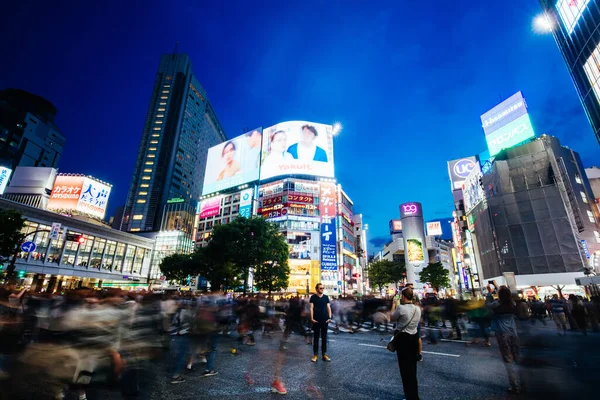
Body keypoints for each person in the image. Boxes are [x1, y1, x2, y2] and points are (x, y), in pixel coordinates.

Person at [487, 286, 520, 394]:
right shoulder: (512, 304)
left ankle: (514, 385)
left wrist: (489, 292)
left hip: (502, 334)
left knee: (508, 359)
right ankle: (522, 381)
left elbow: (487, 304)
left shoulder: (497, 304)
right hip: (513, 333)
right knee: (516, 357)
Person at [391, 287, 421, 400]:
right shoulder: (417, 309)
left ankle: (410, 396)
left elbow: (391, 318)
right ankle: (414, 395)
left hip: (403, 339)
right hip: (414, 338)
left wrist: (393, 304)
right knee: (412, 368)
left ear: (403, 297)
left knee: (404, 369)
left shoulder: (400, 308)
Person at [309, 283, 332, 362]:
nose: (322, 289)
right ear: (316, 289)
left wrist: (329, 317)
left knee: (324, 338)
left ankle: (324, 354)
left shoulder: (326, 297)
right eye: (320, 288)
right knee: (316, 338)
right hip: (316, 320)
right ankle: (315, 355)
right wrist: (312, 318)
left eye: (323, 288)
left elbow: (328, 307)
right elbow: (311, 308)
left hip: (325, 320)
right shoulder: (313, 297)